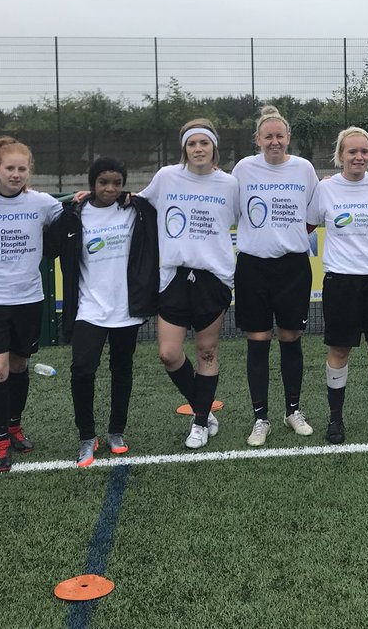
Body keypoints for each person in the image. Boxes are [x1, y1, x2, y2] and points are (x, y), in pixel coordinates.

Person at [49, 157, 159, 467]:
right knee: (82, 369)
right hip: (88, 308)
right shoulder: (76, 215)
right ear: (92, 184)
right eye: (103, 182)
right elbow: (49, 245)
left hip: (127, 309)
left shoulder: (136, 211)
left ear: (124, 186)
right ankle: (87, 436)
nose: (110, 188)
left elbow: (161, 204)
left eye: (117, 183)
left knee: (121, 369)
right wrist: (69, 205)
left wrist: (135, 197)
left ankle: (116, 432)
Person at [140, 118, 240, 450]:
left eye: (204, 143)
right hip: (174, 277)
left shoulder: (229, 184)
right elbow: (138, 204)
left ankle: (199, 422)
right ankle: (204, 409)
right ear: (184, 148)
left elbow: (258, 214)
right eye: (192, 144)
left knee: (206, 351)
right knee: (169, 354)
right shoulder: (166, 177)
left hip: (214, 278)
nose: (198, 149)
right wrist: (96, 197)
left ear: (214, 147)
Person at [0, 137, 63, 472]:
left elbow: (73, 221)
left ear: (29, 171)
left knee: (19, 367)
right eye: (10, 168)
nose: (16, 174)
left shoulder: (43, 203)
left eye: (22, 168)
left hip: (28, 299)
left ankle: (16, 425)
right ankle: (1, 441)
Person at [306, 127, 368, 444]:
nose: (358, 157)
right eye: (352, 152)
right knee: (340, 349)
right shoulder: (325, 188)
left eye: (364, 152)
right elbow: (307, 226)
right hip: (340, 280)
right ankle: (335, 421)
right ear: (340, 155)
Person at [232, 106, 318, 446]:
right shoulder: (243, 169)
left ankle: (293, 411)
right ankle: (260, 419)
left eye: (280, 136)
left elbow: (312, 214)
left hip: (293, 267)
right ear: (257, 139)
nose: (274, 141)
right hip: (253, 266)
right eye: (268, 136)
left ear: (288, 139)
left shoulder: (304, 169)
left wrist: (289, 235)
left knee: (290, 338)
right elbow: (231, 209)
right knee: (257, 341)